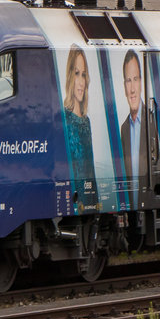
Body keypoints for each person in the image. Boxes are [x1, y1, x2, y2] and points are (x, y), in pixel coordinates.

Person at [118, 50, 159, 210]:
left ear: (142, 82)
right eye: (128, 81)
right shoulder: (123, 130)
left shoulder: (153, 121)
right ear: (124, 87)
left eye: (135, 79)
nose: (133, 89)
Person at [61, 48, 97, 208]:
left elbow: (91, 170)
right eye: (77, 73)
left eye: (83, 74)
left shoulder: (86, 121)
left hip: (89, 198)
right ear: (70, 76)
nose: (81, 81)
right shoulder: (64, 119)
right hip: (74, 197)